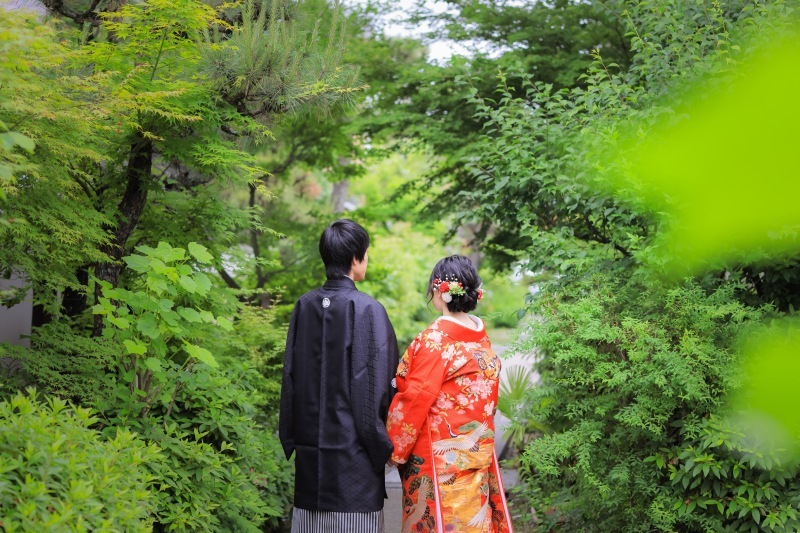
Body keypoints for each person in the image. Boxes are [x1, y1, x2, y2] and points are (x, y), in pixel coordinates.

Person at [279, 219, 400, 533]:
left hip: (310, 459)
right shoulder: (369, 310)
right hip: (354, 461)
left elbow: (289, 378)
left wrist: (291, 436)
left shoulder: (304, 306)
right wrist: (384, 446)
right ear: (356, 258)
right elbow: (376, 388)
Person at [386, 255, 513, 533]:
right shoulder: (479, 335)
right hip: (476, 452)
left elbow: (415, 397)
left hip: (438, 459)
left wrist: (394, 449)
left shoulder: (436, 340)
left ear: (439, 292)